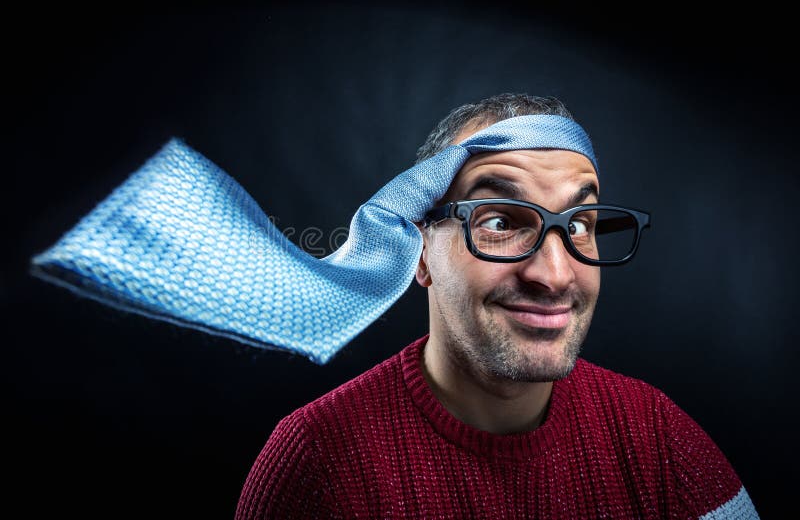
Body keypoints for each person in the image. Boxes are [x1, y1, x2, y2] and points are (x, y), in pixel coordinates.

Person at [234, 94, 759, 519]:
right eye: (501, 222)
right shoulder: (316, 461)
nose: (554, 275)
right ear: (420, 253)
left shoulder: (656, 438)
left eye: (578, 225)